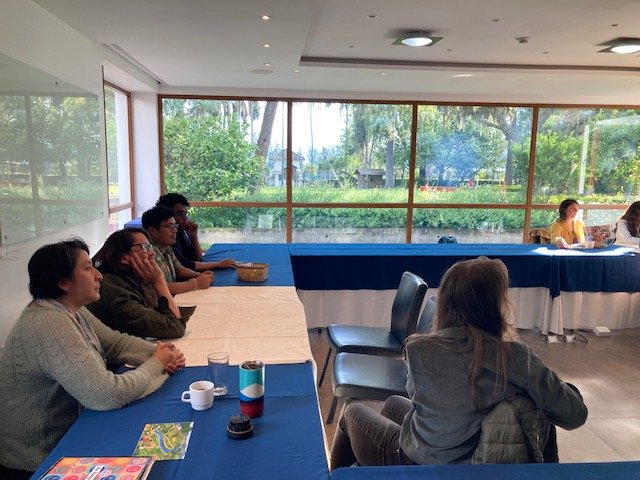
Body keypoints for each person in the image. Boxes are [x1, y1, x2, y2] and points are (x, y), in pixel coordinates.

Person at [330, 257, 587, 469]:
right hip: (470, 458)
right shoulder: (515, 356)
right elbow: (575, 415)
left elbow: (420, 396)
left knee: (352, 412)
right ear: (495, 306)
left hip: (418, 460)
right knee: (392, 403)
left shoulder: (420, 349)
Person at [0, 239, 185, 479]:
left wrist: (159, 353)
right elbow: (107, 394)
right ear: (63, 283)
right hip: (38, 461)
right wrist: (157, 363)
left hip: (70, 434)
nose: (99, 275)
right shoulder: (49, 322)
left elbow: (115, 343)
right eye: (88, 268)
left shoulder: (68, 309)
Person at [87, 228, 190, 339]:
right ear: (124, 258)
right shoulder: (115, 292)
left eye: (150, 247)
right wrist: (158, 280)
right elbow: (174, 327)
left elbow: (165, 315)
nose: (152, 253)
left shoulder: (130, 280)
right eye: (144, 247)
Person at [142, 205, 214, 295]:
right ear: (152, 230)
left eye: (175, 226)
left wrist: (197, 275)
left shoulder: (166, 246)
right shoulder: (148, 253)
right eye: (170, 226)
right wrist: (196, 283)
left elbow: (179, 269)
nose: (175, 231)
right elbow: (163, 287)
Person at [156, 192, 234, 271]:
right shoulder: (164, 237)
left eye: (185, 214)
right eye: (180, 213)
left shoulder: (180, 231)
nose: (185, 218)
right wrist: (219, 264)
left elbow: (197, 258)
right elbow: (185, 265)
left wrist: (194, 236)